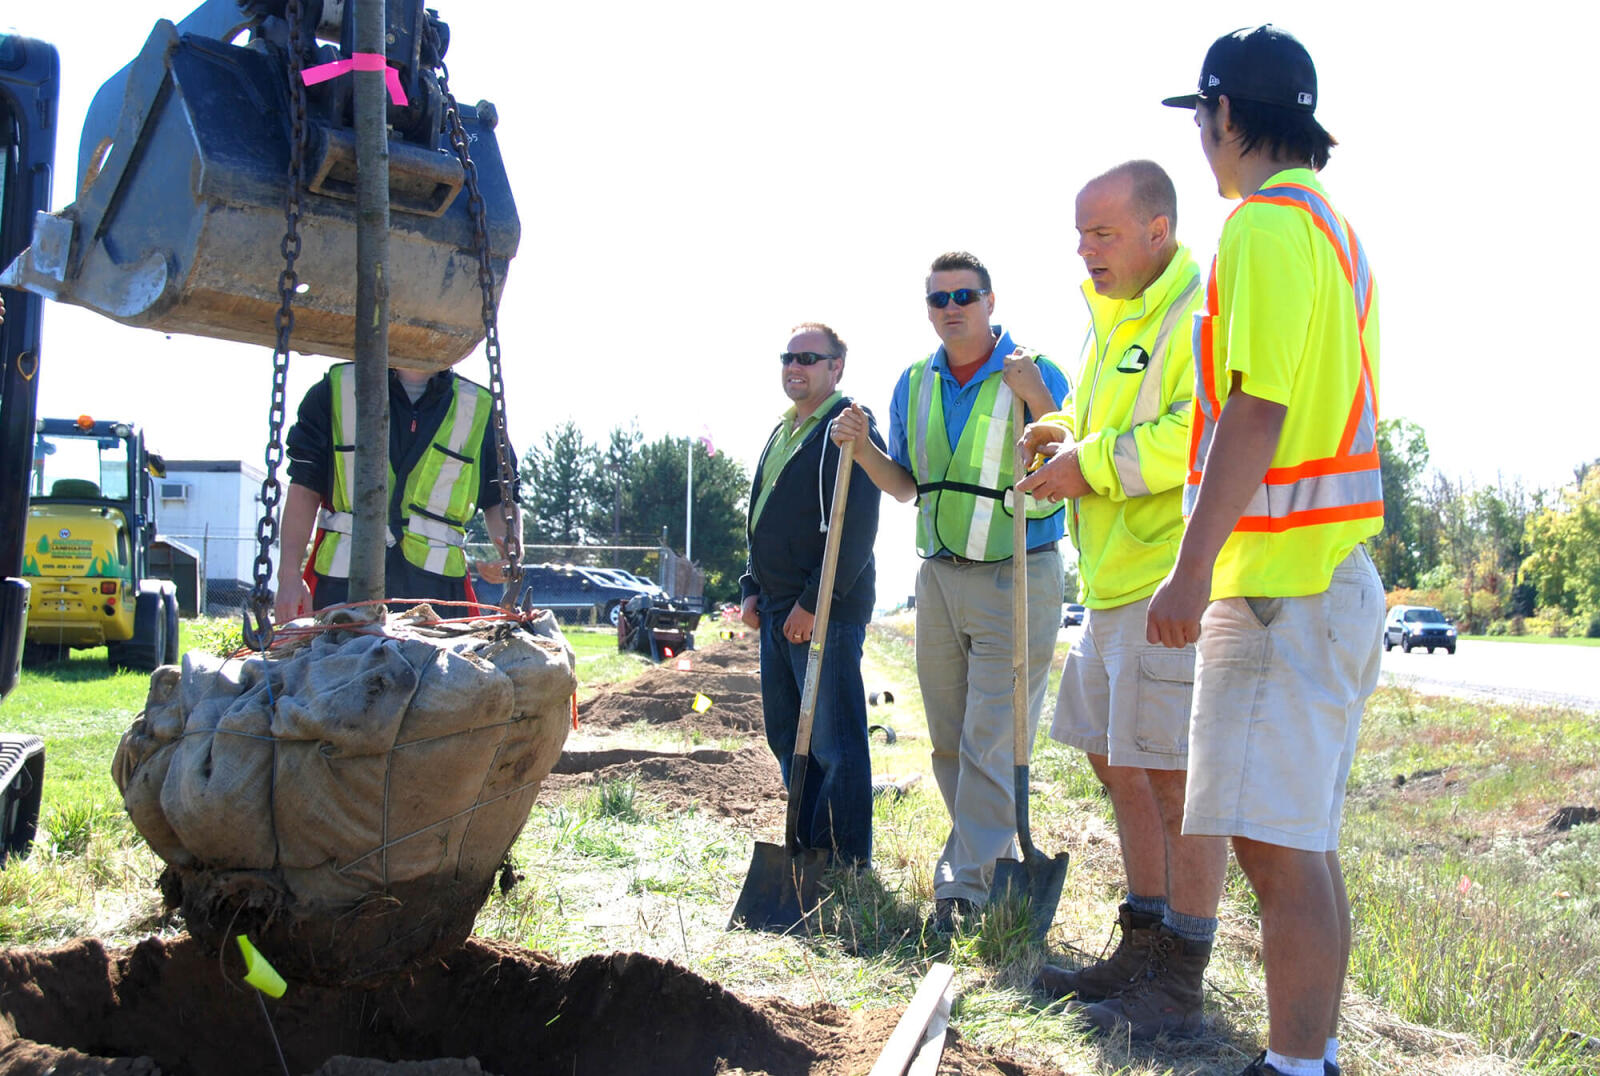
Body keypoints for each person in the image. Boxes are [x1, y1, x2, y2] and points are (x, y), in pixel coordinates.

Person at [1152, 26, 1384, 1076]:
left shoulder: (1260, 227)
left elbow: (1258, 407)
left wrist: (1192, 566)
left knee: (1278, 847)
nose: (1202, 139)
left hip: (1286, 585)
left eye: (1201, 117)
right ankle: (1312, 1056)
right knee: (1295, 840)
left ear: (1227, 117)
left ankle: (1293, 1065)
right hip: (1322, 578)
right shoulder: (1331, 231)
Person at [1015, 161, 1224, 1037]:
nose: (1084, 249)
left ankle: (1179, 977)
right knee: (1116, 763)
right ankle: (1140, 943)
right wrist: (1065, 433)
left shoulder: (1196, 311)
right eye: (1080, 232)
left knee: (1172, 783)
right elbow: (1118, 426)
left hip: (1160, 583)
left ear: (1157, 231)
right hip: (1107, 588)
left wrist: (1086, 464)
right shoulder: (1110, 318)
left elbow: (1194, 431)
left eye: (1101, 233)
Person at [832, 251, 1069, 932]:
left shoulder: (1031, 367)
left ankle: (964, 888)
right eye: (939, 299)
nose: (952, 307)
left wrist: (1037, 398)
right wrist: (863, 450)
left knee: (992, 738)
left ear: (991, 302)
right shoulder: (913, 382)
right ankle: (979, 858)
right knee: (947, 739)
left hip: (1016, 570)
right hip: (938, 576)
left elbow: (1073, 451)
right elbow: (906, 484)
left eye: (964, 295)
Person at [739, 322, 883, 867]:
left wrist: (813, 603)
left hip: (825, 611)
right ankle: (808, 849)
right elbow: (758, 517)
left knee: (832, 740)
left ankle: (846, 859)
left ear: (836, 367)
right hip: (777, 610)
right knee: (787, 737)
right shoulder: (783, 432)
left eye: (808, 357)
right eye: (788, 357)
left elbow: (856, 531)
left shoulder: (848, 430)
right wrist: (752, 587)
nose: (795, 366)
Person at [274, 362, 521, 620]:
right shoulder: (336, 391)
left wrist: (511, 549)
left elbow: (501, 497)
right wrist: (288, 574)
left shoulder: (477, 407)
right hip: (343, 591)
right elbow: (304, 486)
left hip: (440, 597)